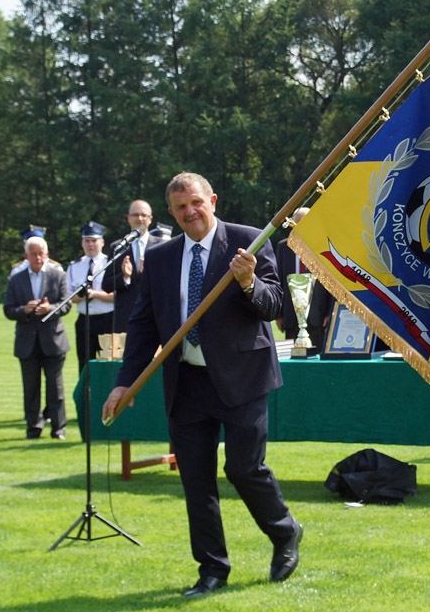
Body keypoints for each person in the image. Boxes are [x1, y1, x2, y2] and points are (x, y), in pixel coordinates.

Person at [102, 172, 302, 596]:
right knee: (195, 478)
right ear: (171, 213)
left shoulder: (249, 240)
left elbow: (274, 306)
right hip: (186, 382)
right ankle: (212, 569)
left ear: (212, 199)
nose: (190, 212)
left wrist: (248, 281)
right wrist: (125, 384)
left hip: (242, 378)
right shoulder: (159, 258)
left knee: (244, 468)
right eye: (180, 207)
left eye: (196, 203)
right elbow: (142, 327)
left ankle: (285, 533)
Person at [3, 236, 72, 439]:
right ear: (26, 256)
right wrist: (24, 310)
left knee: (56, 388)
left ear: (47, 255)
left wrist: (49, 308)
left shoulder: (58, 276)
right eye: (33, 254)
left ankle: (59, 428)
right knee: (30, 388)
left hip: (53, 340)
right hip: (27, 341)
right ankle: (33, 427)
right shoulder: (16, 279)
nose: (38, 257)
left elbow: (66, 304)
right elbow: (8, 309)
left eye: (41, 253)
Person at [102, 200, 164, 333]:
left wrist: (149, 273)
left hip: (155, 316)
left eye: (143, 215)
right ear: (128, 218)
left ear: (150, 219)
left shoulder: (162, 246)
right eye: (135, 215)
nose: (139, 219)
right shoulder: (117, 247)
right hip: (125, 319)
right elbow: (106, 285)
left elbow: (170, 283)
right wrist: (125, 277)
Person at [276, 207, 333, 350]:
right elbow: (278, 280)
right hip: (290, 317)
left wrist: (329, 313)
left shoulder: (323, 247)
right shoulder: (283, 247)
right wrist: (279, 315)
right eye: (299, 222)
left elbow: (331, 283)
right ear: (293, 224)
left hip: (318, 317)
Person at [66, 221, 114, 373]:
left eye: (94, 240)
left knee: (108, 363)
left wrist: (94, 294)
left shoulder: (110, 264)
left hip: (106, 319)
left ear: (102, 242)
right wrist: (82, 296)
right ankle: (87, 396)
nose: (91, 244)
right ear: (82, 242)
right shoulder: (74, 266)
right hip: (84, 320)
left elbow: (116, 295)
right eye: (87, 241)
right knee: (84, 364)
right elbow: (68, 297)